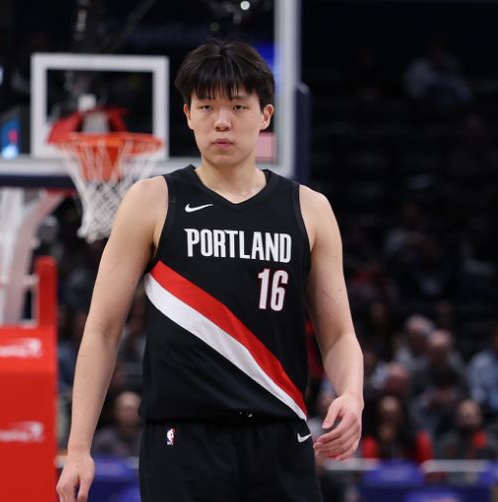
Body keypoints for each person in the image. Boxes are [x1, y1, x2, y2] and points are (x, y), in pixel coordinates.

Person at [57, 38, 364, 502]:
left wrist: (353, 394)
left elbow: (338, 335)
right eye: (207, 107)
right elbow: (101, 330)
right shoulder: (152, 200)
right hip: (183, 441)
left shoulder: (310, 208)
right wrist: (79, 447)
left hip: (280, 436)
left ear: (265, 115)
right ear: (188, 114)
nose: (222, 121)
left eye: (238, 107)